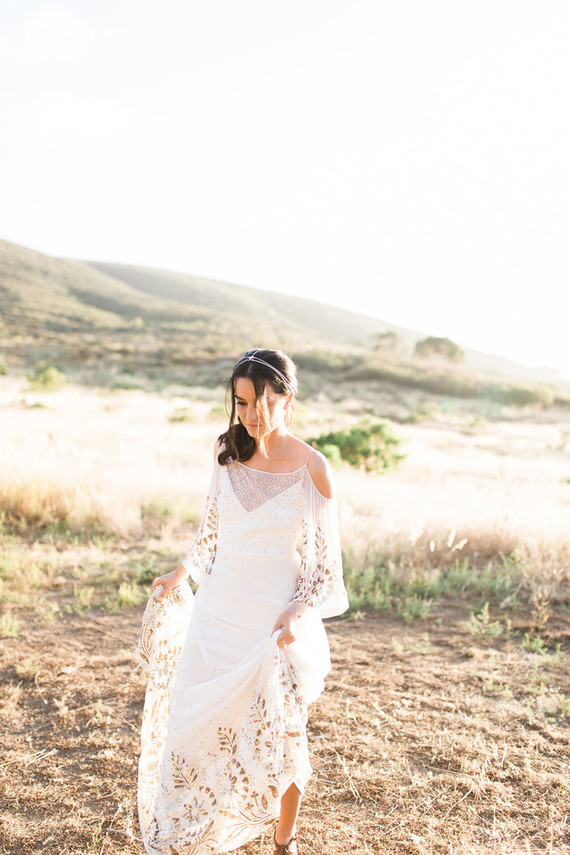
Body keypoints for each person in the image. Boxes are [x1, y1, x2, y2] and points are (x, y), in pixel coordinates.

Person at [134, 348, 349, 855]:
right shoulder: (225, 451)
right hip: (216, 610)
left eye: (262, 403)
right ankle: (180, 837)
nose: (250, 416)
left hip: (273, 622)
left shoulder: (313, 469)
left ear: (286, 400)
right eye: (241, 403)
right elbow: (211, 528)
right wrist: (182, 571)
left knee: (282, 733)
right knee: (190, 722)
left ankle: (284, 840)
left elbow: (323, 567)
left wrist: (297, 610)